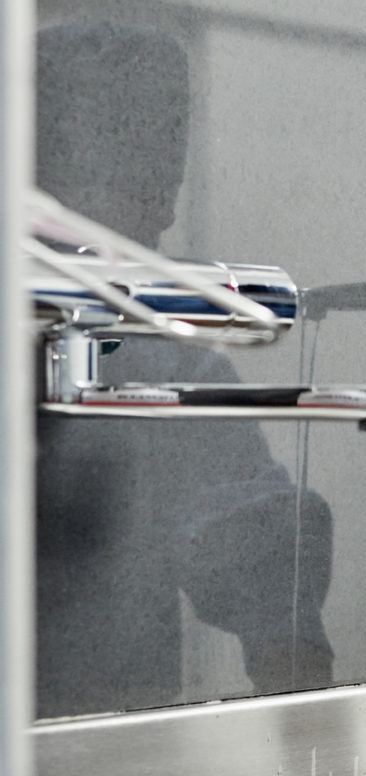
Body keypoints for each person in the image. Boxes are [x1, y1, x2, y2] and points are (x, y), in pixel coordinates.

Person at [34, 21, 334, 717]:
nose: (156, 222)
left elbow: (247, 526)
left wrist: (294, 660)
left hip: (119, 729)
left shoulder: (161, 353)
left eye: (157, 204)